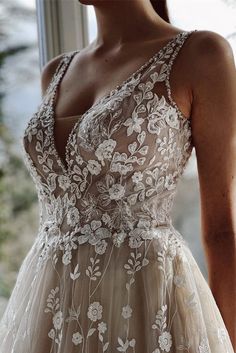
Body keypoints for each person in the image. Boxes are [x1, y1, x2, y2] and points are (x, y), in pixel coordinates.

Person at [0, 0, 235, 352]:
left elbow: (220, 231)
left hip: (145, 304)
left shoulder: (201, 54)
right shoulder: (55, 72)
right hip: (50, 306)